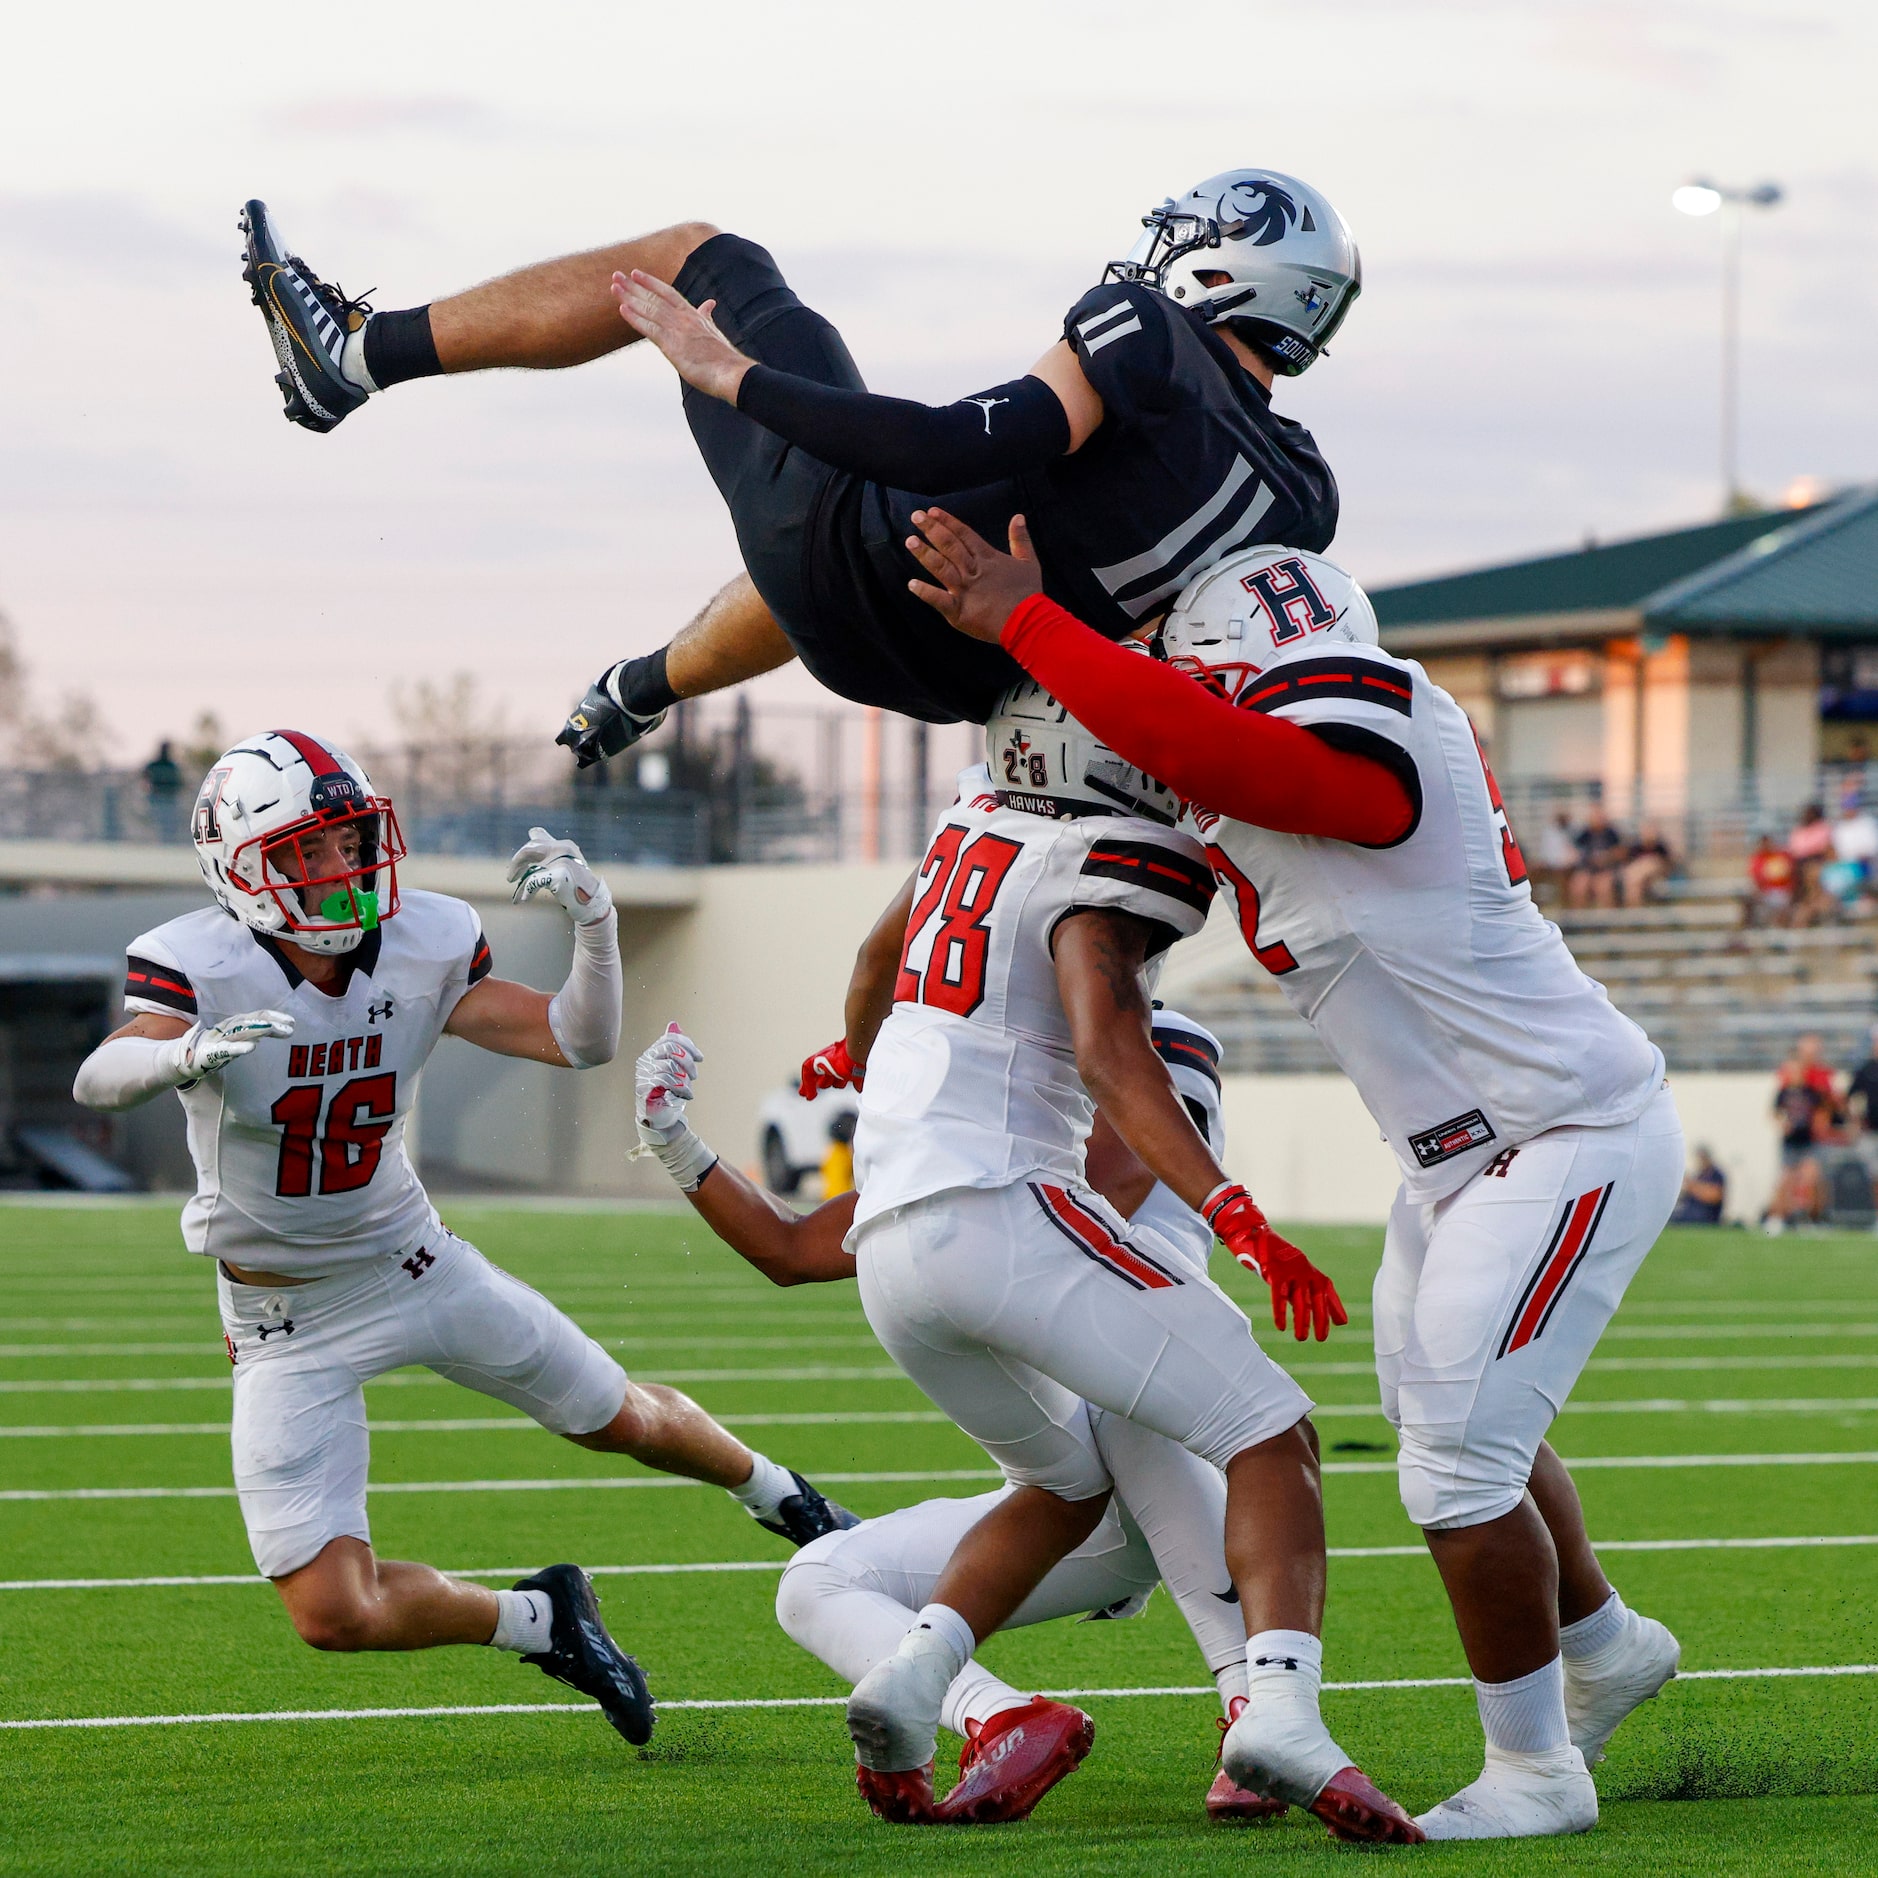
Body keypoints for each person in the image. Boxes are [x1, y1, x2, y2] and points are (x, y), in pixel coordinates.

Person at [905, 514, 1685, 1841]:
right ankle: (1603, 1645)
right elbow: (1151, 754)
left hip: (1563, 1135)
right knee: (1463, 1413)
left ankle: (1536, 1772)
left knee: (1453, 1464)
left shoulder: (1367, 710)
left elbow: (1215, 743)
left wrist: (1032, 619)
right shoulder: (1260, 725)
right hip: (1460, 1159)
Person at [71, 729, 854, 1740]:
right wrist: (178, 1055)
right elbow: (102, 1072)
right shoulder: (199, 965)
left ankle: (783, 1497)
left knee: (618, 1416)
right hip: (283, 1318)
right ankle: (539, 1622)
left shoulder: (422, 939)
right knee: (332, 1613)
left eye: (351, 841)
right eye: (311, 851)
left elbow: (579, 1039)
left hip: (415, 1262)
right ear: (246, 871)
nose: (344, 868)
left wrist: (597, 929)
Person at [766, 685, 1416, 1843]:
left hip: (890, 1248)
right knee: (1272, 1434)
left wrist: (869, 1061)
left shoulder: (974, 815)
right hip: (998, 1207)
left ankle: (922, 1680)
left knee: (1064, 1484)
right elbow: (1114, 1053)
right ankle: (1275, 1710)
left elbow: (876, 963)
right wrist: (1235, 1213)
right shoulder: (1109, 848)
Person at [234, 173, 1356, 748]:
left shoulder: (1149, 338)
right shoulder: (1308, 502)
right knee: (898, 527)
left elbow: (936, 443)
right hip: (953, 682)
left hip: (860, 567)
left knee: (697, 262)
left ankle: (354, 358)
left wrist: (734, 376)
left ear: (1231, 273)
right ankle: (638, 688)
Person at [631, 1009, 1284, 1827]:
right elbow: (791, 1248)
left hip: (1193, 1487)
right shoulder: (988, 1171)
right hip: (1085, 1511)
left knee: (1132, 1407)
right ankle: (999, 1718)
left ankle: (1255, 1709)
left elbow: (1120, 1153)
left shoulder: (1134, 1141)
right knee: (816, 1580)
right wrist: (673, 1140)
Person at [1565, 807, 1627, 910]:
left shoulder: (1611, 833)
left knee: (1603, 887)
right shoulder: (1585, 833)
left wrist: (1607, 857)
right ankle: (1580, 921)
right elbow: (1574, 850)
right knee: (1579, 886)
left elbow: (1620, 852)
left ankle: (1607, 920)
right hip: (1588, 869)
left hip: (1607, 869)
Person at [1746, 833, 1796, 925]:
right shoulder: (1758, 860)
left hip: (1784, 891)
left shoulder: (1782, 856)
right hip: (1767, 893)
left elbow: (1790, 874)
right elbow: (1756, 880)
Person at [1619, 824, 1675, 907]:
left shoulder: (1661, 848)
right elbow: (1628, 863)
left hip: (1654, 878)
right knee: (1634, 888)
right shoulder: (1636, 848)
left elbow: (1667, 866)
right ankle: (1635, 914)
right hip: (1638, 881)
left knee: (1649, 863)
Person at [1668, 1147, 1727, 1225]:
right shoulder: (1700, 1174)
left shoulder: (1716, 1174)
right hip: (1690, 1210)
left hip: (1706, 1215)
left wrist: (1692, 1186)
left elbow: (1714, 1196)